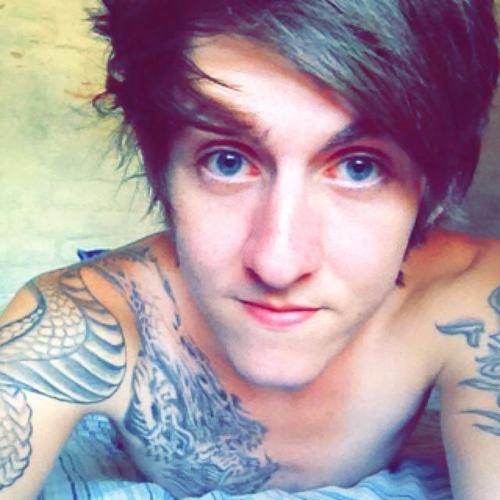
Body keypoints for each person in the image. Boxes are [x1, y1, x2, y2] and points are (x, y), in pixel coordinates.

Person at [0, 0, 498, 498]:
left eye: (359, 168)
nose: (278, 265)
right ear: (163, 171)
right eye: (228, 161)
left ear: (441, 188)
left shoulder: (472, 296)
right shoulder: (82, 320)